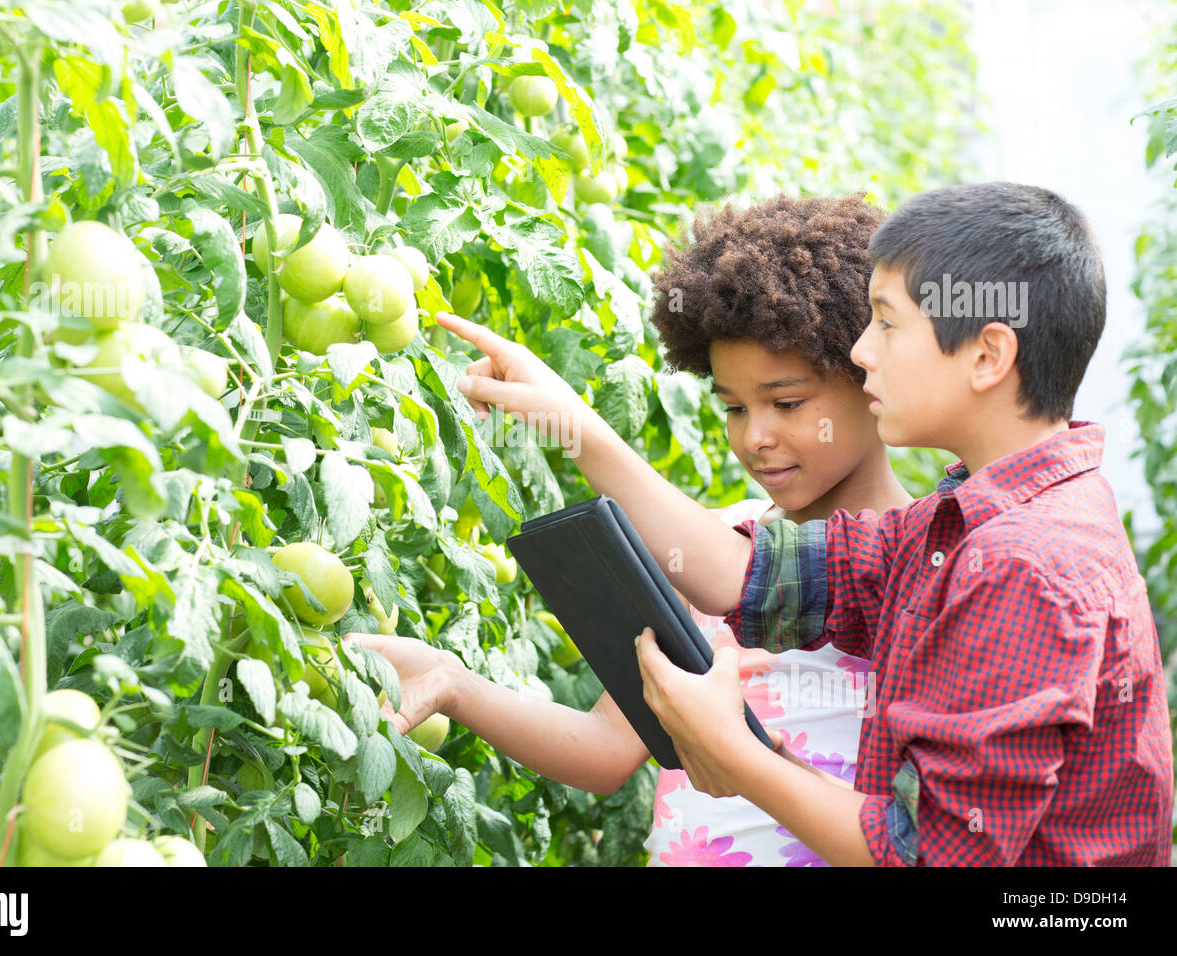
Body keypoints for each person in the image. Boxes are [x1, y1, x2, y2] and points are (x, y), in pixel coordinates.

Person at [348, 194, 914, 865]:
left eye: (786, 403)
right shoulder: (711, 542)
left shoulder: (928, 559)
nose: (756, 437)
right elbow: (607, 749)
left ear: (872, 375)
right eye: (733, 407)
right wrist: (452, 681)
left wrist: (576, 425)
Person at [621, 182, 1172, 865]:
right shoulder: (968, 518)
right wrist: (575, 427)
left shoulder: (1022, 565)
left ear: (987, 355)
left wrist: (735, 753)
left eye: (884, 322)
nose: (860, 352)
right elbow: (760, 575)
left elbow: (923, 856)